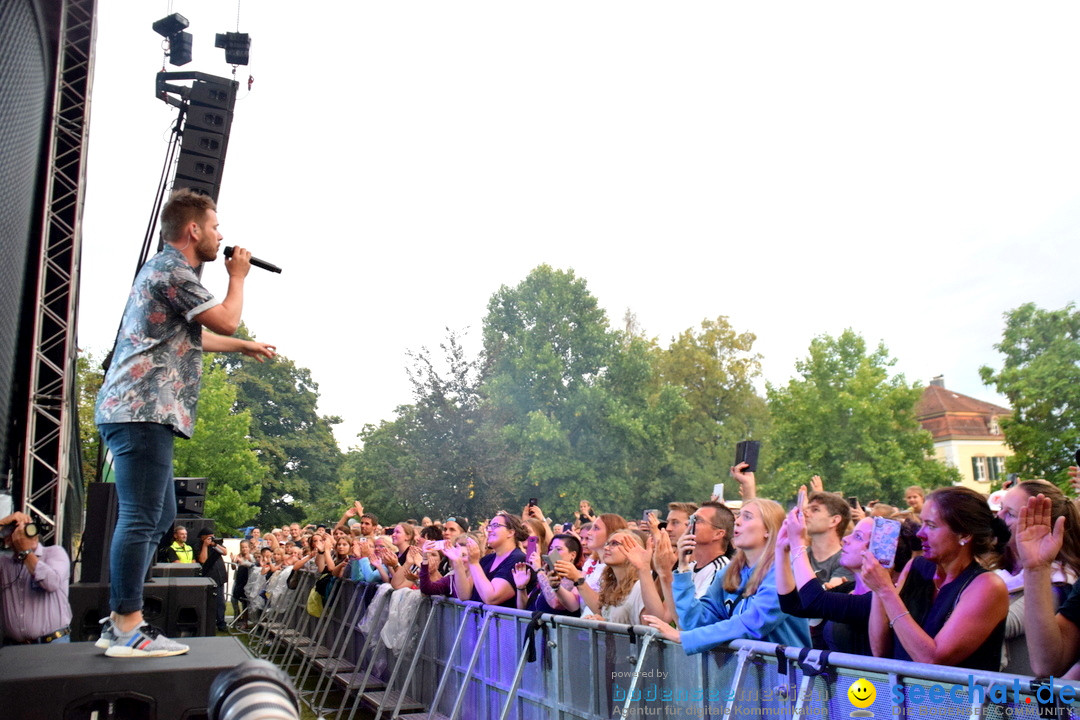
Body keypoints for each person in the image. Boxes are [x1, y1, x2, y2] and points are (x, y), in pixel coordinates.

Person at [94, 188, 275, 657]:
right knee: (140, 516)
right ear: (193, 230)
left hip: (139, 410)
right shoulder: (173, 270)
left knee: (164, 516)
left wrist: (246, 348)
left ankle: (120, 614)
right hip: (142, 410)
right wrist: (239, 276)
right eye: (215, 227)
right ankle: (126, 624)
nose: (221, 236)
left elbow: (198, 338)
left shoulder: (165, 273)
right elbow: (228, 320)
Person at [861, 486, 1009, 671]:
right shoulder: (917, 567)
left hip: (956, 697)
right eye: (922, 524)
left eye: (931, 526)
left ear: (964, 534)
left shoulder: (986, 586)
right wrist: (879, 585)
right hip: (902, 694)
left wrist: (885, 589)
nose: (920, 533)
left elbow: (932, 661)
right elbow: (880, 650)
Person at [644, 498, 810, 653]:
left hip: (784, 678)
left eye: (747, 517)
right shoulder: (730, 572)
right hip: (743, 678)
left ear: (768, 529)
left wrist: (683, 637)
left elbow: (754, 623)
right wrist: (683, 567)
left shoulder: (784, 571)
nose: (737, 521)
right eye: (738, 516)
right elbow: (694, 622)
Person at [995, 480, 1080, 675]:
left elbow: (1000, 623)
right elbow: (1048, 665)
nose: (997, 517)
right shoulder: (999, 568)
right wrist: (1036, 569)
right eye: (1000, 509)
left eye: (1009, 513)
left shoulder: (1062, 581)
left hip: (1019, 700)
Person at [0, 512, 72, 646]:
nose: (29, 533)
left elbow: (51, 583)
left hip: (52, 644)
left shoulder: (54, 553)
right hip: (15, 648)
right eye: (21, 531)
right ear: (8, 540)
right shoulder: (4, 563)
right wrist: (3, 523)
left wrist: (26, 552)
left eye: (30, 527)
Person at [803, 492, 854, 590]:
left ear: (834, 520)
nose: (805, 513)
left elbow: (824, 599)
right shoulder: (798, 556)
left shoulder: (846, 561)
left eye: (815, 509)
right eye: (806, 509)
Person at [196, 529, 229, 632]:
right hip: (209, 578)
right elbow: (203, 560)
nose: (212, 539)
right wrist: (205, 545)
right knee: (209, 602)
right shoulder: (198, 546)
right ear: (203, 537)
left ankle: (221, 623)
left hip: (220, 577)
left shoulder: (216, 544)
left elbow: (225, 552)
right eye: (209, 537)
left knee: (220, 602)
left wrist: (214, 544)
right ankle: (210, 622)